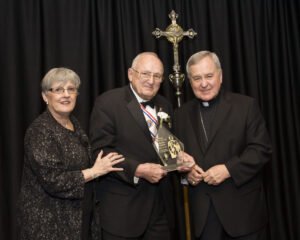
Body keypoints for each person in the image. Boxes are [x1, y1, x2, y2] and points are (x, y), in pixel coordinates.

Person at [89, 52, 193, 240]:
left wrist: (179, 160)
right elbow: (101, 151)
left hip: (161, 210)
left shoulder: (165, 105)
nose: (151, 80)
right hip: (123, 213)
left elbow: (165, 148)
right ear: (131, 74)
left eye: (157, 76)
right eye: (145, 74)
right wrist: (136, 169)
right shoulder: (108, 103)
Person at [174, 51, 272, 240]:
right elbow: (177, 157)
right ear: (189, 81)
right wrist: (186, 172)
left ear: (220, 75)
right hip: (203, 215)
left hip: (243, 214)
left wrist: (228, 169)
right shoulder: (181, 115)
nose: (204, 83)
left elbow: (261, 150)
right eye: (197, 78)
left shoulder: (245, 106)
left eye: (209, 76)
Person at [17, 67, 124, 240]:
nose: (66, 95)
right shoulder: (39, 130)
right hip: (49, 224)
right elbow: (54, 180)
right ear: (45, 96)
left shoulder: (74, 123)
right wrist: (95, 171)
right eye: (58, 89)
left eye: (71, 89)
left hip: (79, 218)